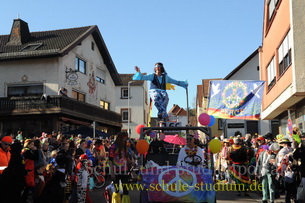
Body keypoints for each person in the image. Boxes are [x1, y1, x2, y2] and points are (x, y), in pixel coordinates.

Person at [109, 132, 131, 202]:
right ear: (122, 138)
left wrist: (130, 161)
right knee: (116, 189)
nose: (126, 139)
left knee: (125, 190)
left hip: (124, 170)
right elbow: (110, 160)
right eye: (126, 137)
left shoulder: (125, 146)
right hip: (116, 170)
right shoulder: (113, 147)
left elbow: (126, 158)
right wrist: (112, 173)